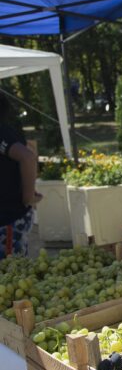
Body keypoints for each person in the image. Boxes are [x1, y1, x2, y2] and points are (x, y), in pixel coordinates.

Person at [0, 95, 42, 259]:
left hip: (7, 220)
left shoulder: (2, 133)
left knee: (10, 277)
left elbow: (28, 157)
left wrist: (28, 195)